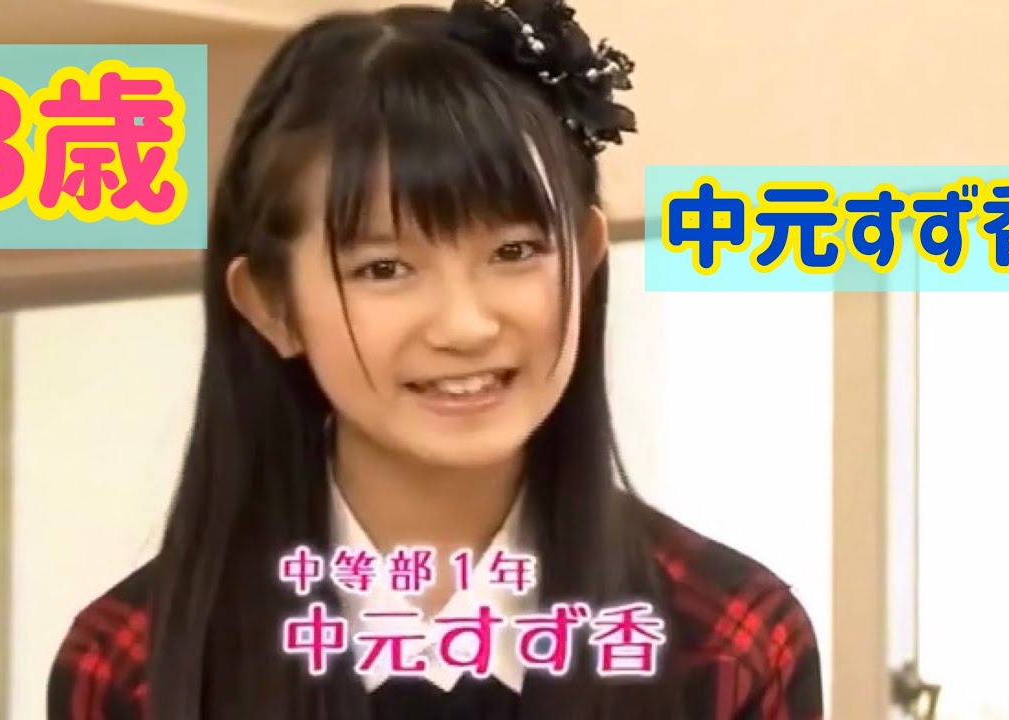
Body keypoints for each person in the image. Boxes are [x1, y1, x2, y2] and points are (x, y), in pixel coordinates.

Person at [47, 1, 824, 718]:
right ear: (273, 306)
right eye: (384, 268)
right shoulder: (134, 667)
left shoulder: (729, 642)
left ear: (586, 263)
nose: (465, 324)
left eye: (514, 251)